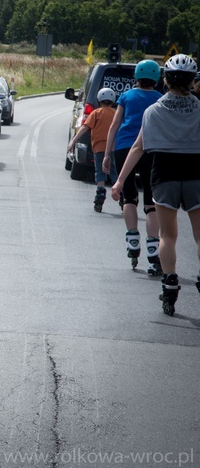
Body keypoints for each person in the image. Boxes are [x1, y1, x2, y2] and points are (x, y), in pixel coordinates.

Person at [111, 54, 200, 316]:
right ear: (193, 80)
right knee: (199, 234)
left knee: (168, 235)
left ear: (166, 79)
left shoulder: (153, 111)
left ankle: (170, 281)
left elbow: (138, 147)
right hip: (196, 173)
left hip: (165, 175)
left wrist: (119, 180)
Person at [103, 59, 163, 274]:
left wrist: (107, 154)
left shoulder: (126, 96)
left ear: (136, 76)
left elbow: (114, 125)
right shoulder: (159, 99)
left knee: (129, 196)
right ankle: (153, 247)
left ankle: (132, 242)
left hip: (124, 147)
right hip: (151, 149)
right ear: (156, 79)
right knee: (150, 200)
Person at [67, 87, 118, 212]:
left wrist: (74, 140)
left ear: (99, 100)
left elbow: (85, 127)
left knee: (100, 172)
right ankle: (120, 194)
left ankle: (100, 194)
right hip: (113, 148)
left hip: (99, 148)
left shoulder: (96, 113)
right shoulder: (116, 113)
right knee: (114, 172)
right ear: (112, 100)